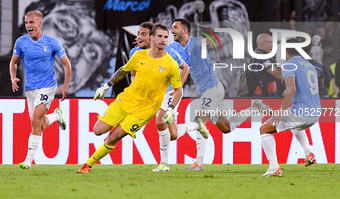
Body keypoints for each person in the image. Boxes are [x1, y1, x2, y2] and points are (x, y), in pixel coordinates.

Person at [77, 23, 183, 173]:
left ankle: (88, 164)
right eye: (159, 36)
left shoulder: (171, 64)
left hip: (145, 110)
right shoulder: (138, 55)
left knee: (114, 137)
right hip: (127, 99)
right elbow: (123, 70)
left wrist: (171, 108)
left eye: (166, 37)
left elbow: (178, 90)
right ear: (152, 38)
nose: (163, 40)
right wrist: (106, 86)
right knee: (98, 130)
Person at [167, 18, 271, 170]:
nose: (172, 31)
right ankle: (255, 107)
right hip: (206, 91)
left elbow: (205, 43)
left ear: (185, 31)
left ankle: (198, 161)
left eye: (175, 28)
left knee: (200, 120)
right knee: (226, 128)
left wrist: (206, 43)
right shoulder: (176, 46)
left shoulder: (195, 42)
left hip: (213, 89)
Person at [9, 10, 72, 169]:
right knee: (38, 123)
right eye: (26, 22)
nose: (28, 25)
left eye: (31, 22)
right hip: (30, 88)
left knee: (36, 120)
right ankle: (56, 116)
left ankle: (28, 160)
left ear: (40, 23)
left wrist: (65, 85)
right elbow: (13, 62)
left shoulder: (52, 42)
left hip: (48, 86)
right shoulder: (21, 42)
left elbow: (66, 64)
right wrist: (13, 77)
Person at [129, 22, 190, 172]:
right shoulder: (135, 53)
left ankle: (164, 164)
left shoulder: (168, 53)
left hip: (169, 93)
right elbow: (133, 75)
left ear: (151, 38)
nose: (139, 37)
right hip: (152, 95)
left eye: (143, 34)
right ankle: (196, 125)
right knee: (173, 134)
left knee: (160, 122)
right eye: (139, 34)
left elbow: (185, 68)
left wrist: (177, 89)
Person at [260, 37, 321, 177]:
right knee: (295, 124)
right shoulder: (309, 65)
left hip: (301, 113)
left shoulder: (289, 65)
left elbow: (291, 89)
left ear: (286, 51)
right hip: (316, 112)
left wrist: (280, 112)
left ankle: (274, 167)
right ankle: (308, 153)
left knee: (264, 129)